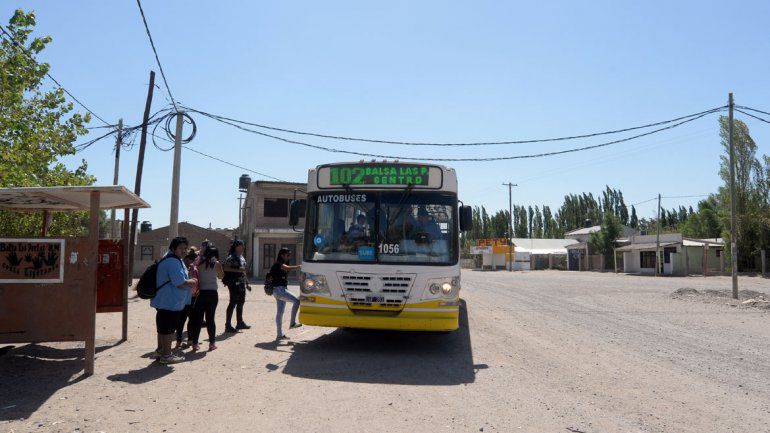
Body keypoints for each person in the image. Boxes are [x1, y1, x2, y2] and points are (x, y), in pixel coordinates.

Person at [151, 237, 197, 364]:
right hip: (170, 301)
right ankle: (166, 355)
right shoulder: (173, 262)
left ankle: (161, 351)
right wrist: (192, 281)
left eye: (185, 248)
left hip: (166, 300)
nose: (184, 251)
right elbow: (179, 282)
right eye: (180, 248)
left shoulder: (172, 259)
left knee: (163, 327)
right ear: (173, 248)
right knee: (168, 329)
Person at [188, 244, 224, 351]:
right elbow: (221, 276)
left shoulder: (198, 263)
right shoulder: (216, 264)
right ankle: (212, 344)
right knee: (210, 319)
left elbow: (192, 272)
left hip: (200, 294)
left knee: (198, 319)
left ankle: (195, 344)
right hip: (212, 294)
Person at [269, 247, 302, 340]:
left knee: (280, 313)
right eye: (287, 255)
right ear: (282, 255)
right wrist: (300, 266)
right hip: (279, 290)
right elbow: (288, 268)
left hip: (280, 290)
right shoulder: (278, 263)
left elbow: (286, 269)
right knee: (296, 301)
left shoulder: (284, 263)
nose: (289, 256)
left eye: (289, 255)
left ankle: (279, 334)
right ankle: (292, 323)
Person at [175, 247, 199, 350]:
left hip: (187, 297)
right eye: (192, 260)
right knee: (185, 320)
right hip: (187, 297)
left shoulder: (190, 268)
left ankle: (185, 341)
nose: (192, 262)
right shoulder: (185, 268)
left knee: (185, 320)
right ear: (188, 259)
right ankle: (182, 341)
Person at [223, 239, 250, 332]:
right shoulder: (231, 257)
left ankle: (240, 323)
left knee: (241, 303)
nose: (243, 248)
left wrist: (247, 283)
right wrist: (238, 270)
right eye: (241, 246)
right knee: (233, 303)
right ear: (236, 247)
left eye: (243, 246)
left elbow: (244, 271)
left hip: (241, 283)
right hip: (233, 283)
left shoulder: (242, 257)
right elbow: (225, 268)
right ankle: (228, 325)